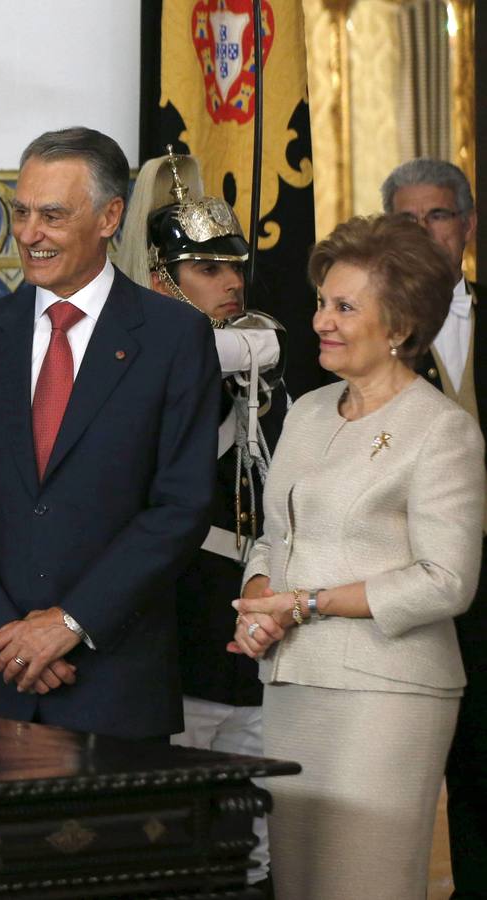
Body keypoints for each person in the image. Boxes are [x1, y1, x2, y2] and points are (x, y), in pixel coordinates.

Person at [0, 127, 220, 740]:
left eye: (52, 215)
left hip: (115, 681)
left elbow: (180, 507)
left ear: (109, 217)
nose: (29, 234)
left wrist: (70, 623)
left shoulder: (174, 338)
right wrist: (2, 633)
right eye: (21, 212)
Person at [231, 214, 483, 899]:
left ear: (400, 324)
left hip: (386, 692)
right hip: (293, 684)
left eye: (345, 307)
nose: (321, 322)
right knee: (298, 886)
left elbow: (447, 580)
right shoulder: (308, 411)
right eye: (322, 303)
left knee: (363, 885)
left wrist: (306, 604)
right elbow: (276, 536)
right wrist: (260, 600)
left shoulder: (442, 429)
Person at [115, 150, 286, 888]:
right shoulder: (138, 362)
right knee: (178, 831)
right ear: (162, 278)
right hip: (178, 616)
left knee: (258, 836)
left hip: (258, 611)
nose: (231, 282)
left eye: (234, 266)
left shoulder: (263, 353)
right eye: (208, 269)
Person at [381, 157, 486, 900]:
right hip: (399, 592)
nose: (423, 231)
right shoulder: (356, 336)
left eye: (438, 215)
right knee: (400, 786)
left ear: (467, 227)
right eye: (406, 219)